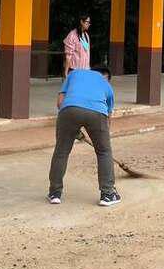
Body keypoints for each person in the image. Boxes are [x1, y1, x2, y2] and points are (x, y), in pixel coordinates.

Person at [48, 66, 120, 207]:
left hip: (69, 110)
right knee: (104, 152)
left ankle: (54, 193)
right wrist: (103, 141)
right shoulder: (106, 84)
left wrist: (72, 128)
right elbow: (107, 117)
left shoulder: (74, 74)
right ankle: (108, 194)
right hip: (97, 113)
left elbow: (60, 102)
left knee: (61, 152)